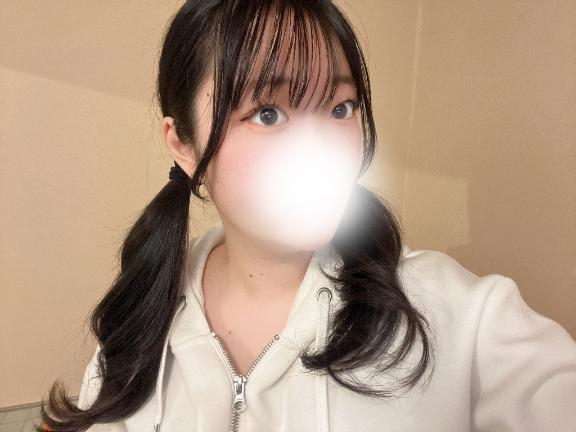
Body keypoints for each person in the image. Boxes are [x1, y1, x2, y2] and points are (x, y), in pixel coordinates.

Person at [38, 1, 576, 431]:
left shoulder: (457, 317)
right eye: (267, 113)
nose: (320, 150)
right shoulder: (140, 327)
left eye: (340, 108)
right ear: (182, 143)